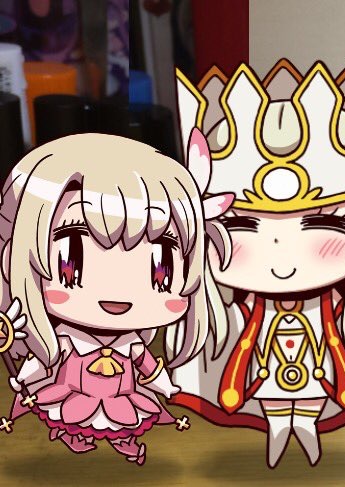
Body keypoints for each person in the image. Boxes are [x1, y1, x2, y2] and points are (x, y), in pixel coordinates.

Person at [168, 60, 345, 467]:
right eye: (243, 226)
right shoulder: (223, 316)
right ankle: (280, 428)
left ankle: (307, 429)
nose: (282, 258)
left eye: (321, 225)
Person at [0, 132, 231, 465]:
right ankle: (75, 437)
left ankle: (125, 442)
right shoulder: (67, 338)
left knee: (123, 421)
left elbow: (148, 367)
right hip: (75, 392)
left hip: (121, 396)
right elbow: (41, 362)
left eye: (161, 268)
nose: (118, 292)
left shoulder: (131, 343)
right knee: (74, 417)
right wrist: (23, 378)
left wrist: (168, 389)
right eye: (72, 261)